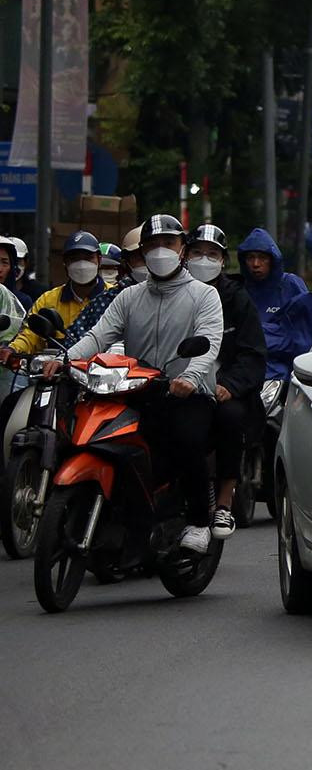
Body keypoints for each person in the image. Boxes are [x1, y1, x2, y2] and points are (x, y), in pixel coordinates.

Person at [44, 215, 225, 552]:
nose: (160, 251)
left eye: (168, 244)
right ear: (142, 251)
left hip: (186, 394)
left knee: (187, 440)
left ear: (182, 249)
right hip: (136, 390)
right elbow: (99, 335)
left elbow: (209, 343)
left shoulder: (204, 296)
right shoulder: (129, 297)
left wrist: (188, 377)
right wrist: (65, 360)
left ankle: (200, 521)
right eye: (152, 245)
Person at [187, 225, 267, 535]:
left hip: (222, 389)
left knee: (230, 419)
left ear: (223, 261)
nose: (203, 259)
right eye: (196, 252)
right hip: (176, 384)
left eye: (212, 254)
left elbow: (252, 354)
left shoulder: (237, 299)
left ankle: (223, 503)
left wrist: (229, 385)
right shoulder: (170, 292)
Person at [8, 233, 109, 384]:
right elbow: (30, 334)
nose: (81, 264)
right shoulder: (48, 300)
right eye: (74, 259)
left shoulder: (114, 298)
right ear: (65, 263)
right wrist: (13, 350)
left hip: (104, 382)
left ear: (99, 260)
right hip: (56, 381)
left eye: (88, 258)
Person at [239, 227, 312, 385]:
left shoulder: (291, 285)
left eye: (262, 257)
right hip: (244, 375)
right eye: (251, 257)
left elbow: (307, 334)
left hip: (285, 377)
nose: (256, 264)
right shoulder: (239, 290)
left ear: (272, 259)